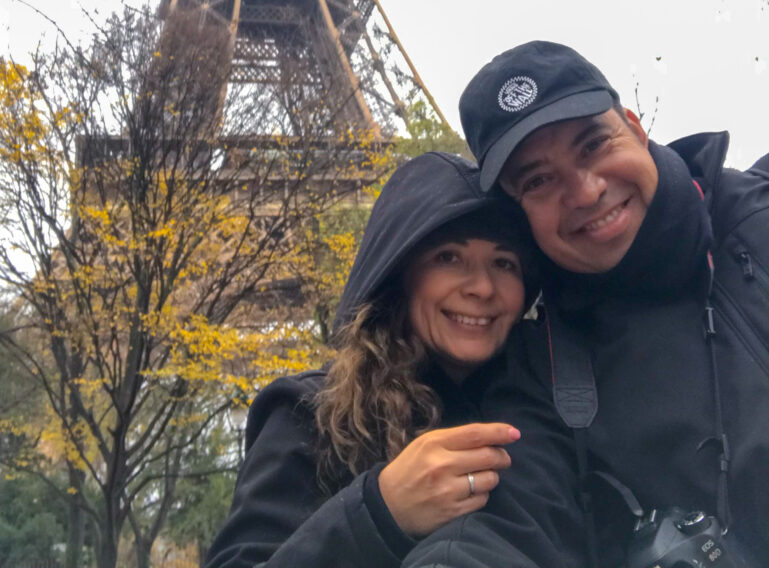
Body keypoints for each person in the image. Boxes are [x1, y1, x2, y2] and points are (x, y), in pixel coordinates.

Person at [405, 40, 769, 568]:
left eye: (593, 144)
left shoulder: (757, 213)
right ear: (519, 213)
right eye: (538, 179)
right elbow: (512, 523)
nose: (584, 191)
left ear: (635, 128)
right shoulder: (544, 373)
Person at [204, 151, 583, 568]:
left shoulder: (560, 403)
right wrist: (379, 513)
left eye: (504, 263)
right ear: (400, 274)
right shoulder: (309, 413)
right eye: (449, 257)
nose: (482, 287)